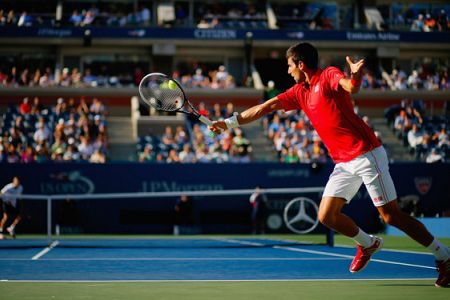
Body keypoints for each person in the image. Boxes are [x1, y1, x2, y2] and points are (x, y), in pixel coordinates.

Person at [209, 42, 450, 288]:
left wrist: (355, 76)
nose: (288, 70)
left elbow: (350, 87)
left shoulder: (329, 75)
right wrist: (227, 123)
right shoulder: (298, 92)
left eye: (290, 65)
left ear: (301, 65)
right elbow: (265, 107)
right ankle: (368, 243)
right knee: (326, 216)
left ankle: (444, 256)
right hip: (343, 162)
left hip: (367, 154)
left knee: (391, 216)